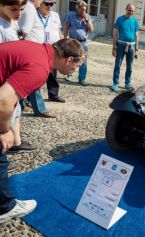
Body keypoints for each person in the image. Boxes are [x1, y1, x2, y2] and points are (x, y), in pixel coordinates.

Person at [0, 38, 84, 224]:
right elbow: (3, 100)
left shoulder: (37, 49)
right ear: (69, 59)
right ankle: (5, 208)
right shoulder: (40, 68)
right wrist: (4, 131)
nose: (75, 71)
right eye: (76, 66)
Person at [0, 0, 37, 160]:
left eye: (21, 9)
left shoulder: (11, 22)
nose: (19, 13)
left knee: (15, 114)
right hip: (3, 81)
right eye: (14, 9)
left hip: (11, 79)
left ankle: (11, 148)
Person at [18, 0, 56, 118]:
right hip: (31, 49)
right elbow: (24, 30)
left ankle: (21, 105)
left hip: (29, 48)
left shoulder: (29, 8)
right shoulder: (29, 7)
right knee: (34, 79)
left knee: (22, 79)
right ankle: (39, 108)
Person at [37, 0, 65, 103]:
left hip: (53, 49)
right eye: (47, 4)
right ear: (40, 3)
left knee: (52, 73)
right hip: (39, 48)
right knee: (38, 74)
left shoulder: (55, 16)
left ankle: (53, 94)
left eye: (51, 4)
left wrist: (62, 44)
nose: (49, 6)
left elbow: (59, 31)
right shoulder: (34, 14)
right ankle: (31, 98)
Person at [63, 0, 94, 86]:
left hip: (83, 42)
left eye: (85, 9)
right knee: (71, 58)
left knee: (83, 60)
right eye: (82, 9)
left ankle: (82, 78)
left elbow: (91, 29)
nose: (84, 11)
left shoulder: (87, 16)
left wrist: (86, 19)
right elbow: (66, 27)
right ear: (77, 8)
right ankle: (69, 75)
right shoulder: (70, 15)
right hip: (72, 41)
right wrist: (65, 39)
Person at [111, 3, 139, 92]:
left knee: (129, 66)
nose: (131, 12)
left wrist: (137, 50)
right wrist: (114, 47)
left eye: (132, 11)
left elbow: (136, 36)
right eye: (129, 10)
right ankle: (115, 83)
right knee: (117, 64)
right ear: (126, 9)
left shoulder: (135, 21)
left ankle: (128, 83)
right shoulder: (120, 19)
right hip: (121, 45)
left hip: (132, 46)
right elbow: (115, 34)